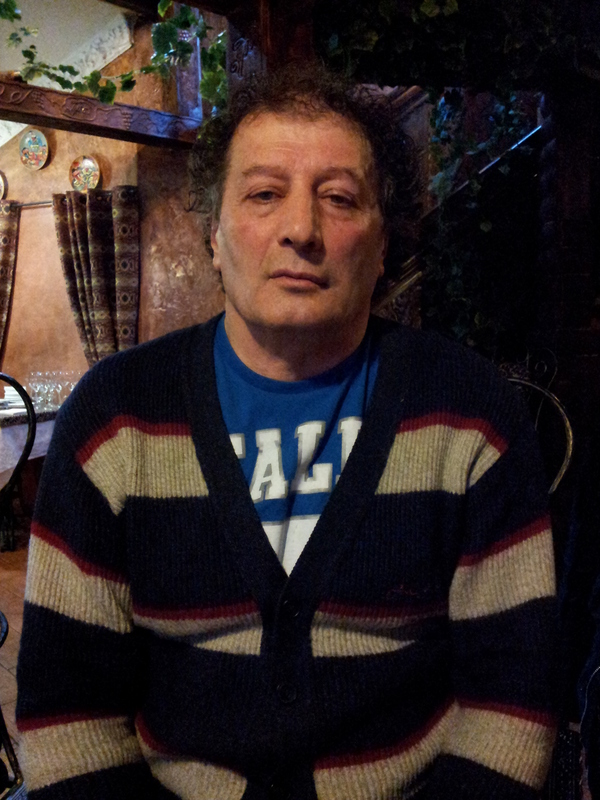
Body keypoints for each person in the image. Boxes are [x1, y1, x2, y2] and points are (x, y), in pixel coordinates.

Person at [17, 66, 558, 800]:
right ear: (213, 236)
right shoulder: (114, 420)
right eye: (264, 194)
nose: (300, 230)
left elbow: (512, 704)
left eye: (339, 198)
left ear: (382, 247)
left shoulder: (469, 414)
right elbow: (67, 714)